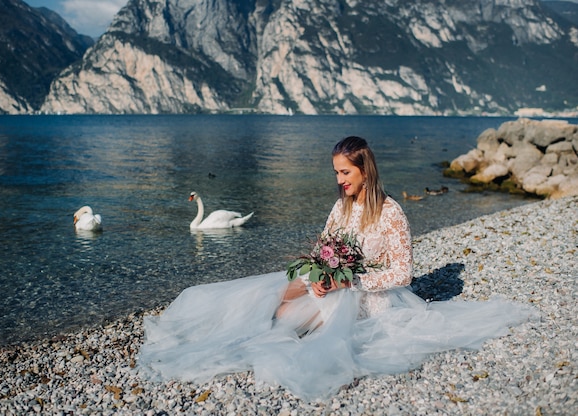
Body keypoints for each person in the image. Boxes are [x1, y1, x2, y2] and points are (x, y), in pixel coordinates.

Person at [137, 136, 537, 402]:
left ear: (366, 170)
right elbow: (322, 247)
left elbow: (402, 274)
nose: (339, 179)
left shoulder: (391, 212)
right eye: (336, 172)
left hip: (369, 294)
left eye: (345, 172)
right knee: (284, 292)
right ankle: (256, 334)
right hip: (334, 281)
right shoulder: (341, 206)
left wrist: (350, 278)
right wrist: (319, 273)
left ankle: (273, 341)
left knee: (306, 316)